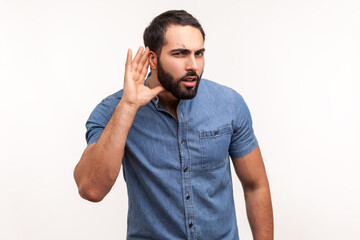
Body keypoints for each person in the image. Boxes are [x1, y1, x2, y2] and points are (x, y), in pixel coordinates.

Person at [74, 10, 273, 240]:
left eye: (199, 54)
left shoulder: (230, 104)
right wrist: (128, 107)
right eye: (180, 54)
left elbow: (256, 185)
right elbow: (91, 189)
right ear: (152, 59)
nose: (193, 65)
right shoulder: (113, 110)